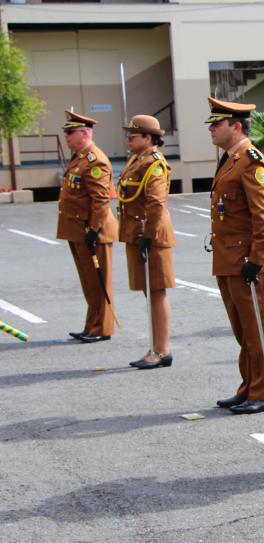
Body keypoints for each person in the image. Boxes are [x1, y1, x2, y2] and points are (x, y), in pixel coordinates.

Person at [206, 97, 264, 415]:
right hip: (229, 259)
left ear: (235, 127)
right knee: (243, 329)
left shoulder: (250, 161)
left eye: (217, 123)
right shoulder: (230, 159)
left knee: (257, 329)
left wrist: (257, 259)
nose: (211, 128)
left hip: (247, 261)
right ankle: (249, 385)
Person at [116, 115, 175, 369]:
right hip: (137, 234)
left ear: (148, 138)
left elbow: (156, 203)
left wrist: (148, 237)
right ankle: (155, 346)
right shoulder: (136, 160)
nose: (128, 139)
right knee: (148, 292)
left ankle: (161, 350)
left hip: (150, 236)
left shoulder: (154, 164)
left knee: (156, 292)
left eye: (133, 135)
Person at [57, 110, 118, 343]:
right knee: (89, 281)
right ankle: (92, 324)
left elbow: (101, 199)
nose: (67, 136)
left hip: (92, 231)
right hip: (78, 230)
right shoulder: (80, 157)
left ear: (85, 133)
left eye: (70, 132)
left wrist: (94, 229)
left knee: (98, 281)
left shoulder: (95, 160)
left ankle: (101, 328)